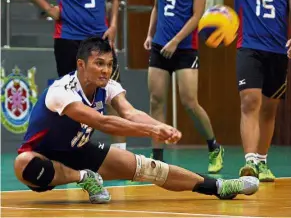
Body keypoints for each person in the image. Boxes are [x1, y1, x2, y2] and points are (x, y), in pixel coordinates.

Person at [14, 37, 259, 203]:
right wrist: (149, 132)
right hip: (43, 158)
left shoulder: (108, 86)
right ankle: (85, 178)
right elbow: (104, 123)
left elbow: (129, 113)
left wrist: (159, 126)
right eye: (99, 64)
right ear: (81, 64)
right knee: (24, 164)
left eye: (109, 65)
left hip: (79, 150)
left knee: (149, 169)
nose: (105, 70)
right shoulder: (62, 91)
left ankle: (219, 188)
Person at [13, 0, 127, 151]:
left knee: (113, 95)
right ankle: (72, 150)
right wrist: (47, 9)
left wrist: (114, 25)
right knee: (72, 100)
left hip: (100, 40)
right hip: (69, 40)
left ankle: (121, 153)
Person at [199, 0, 291, 182]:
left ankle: (262, 162)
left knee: (269, 109)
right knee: (250, 102)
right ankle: (249, 162)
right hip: (248, 48)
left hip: (277, 51)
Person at [144, 0, 224, 173]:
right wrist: (150, 34)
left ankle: (214, 147)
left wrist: (176, 41)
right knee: (156, 101)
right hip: (159, 46)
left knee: (189, 102)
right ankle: (157, 158)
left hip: (185, 48)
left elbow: (197, 15)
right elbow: (156, 8)